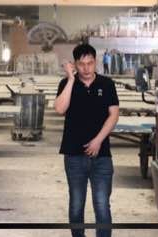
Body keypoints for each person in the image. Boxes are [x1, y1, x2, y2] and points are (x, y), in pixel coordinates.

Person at [54, 43, 120, 237]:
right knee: (76, 206)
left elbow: (114, 115)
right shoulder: (66, 84)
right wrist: (70, 79)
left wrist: (98, 140)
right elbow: (59, 109)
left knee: (102, 206)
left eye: (90, 63)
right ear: (75, 64)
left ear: (95, 62)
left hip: (102, 156)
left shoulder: (107, 84)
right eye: (81, 64)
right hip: (74, 156)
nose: (86, 68)